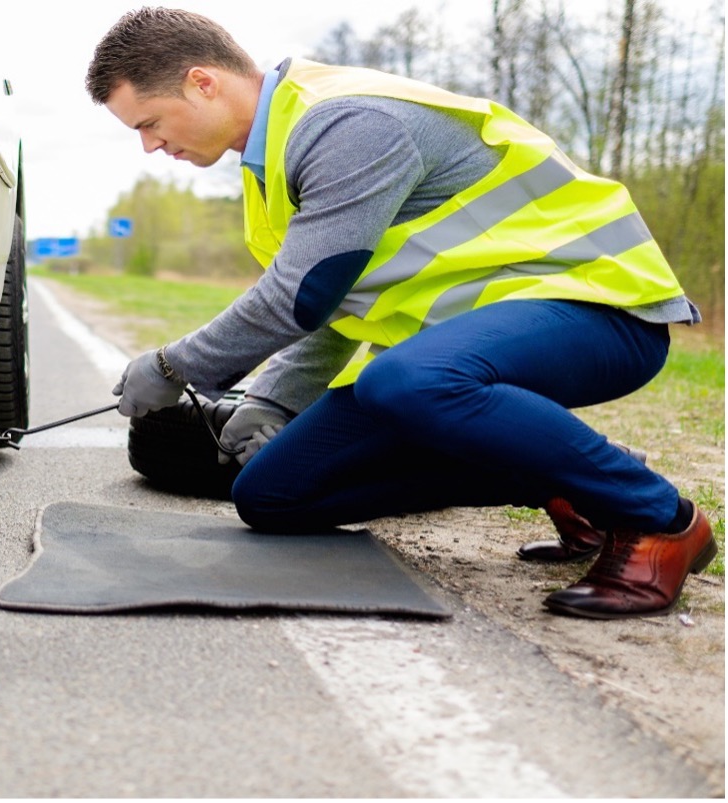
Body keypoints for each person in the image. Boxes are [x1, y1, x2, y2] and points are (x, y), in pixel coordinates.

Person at [86, 6, 714, 620]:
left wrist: (174, 366)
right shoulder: (268, 164)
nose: (149, 145)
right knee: (272, 494)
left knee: (405, 381)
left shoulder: (347, 124)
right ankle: (568, 478)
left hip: (599, 309)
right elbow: (334, 300)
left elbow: (299, 294)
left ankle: (658, 520)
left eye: (149, 121)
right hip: (469, 348)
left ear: (202, 82)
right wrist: (274, 400)